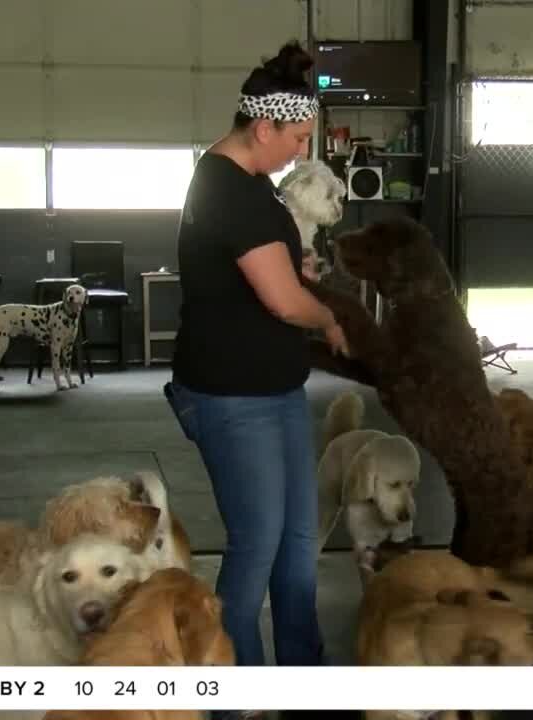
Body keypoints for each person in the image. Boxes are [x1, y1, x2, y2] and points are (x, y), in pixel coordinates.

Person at [162, 40, 350, 681]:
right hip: (232, 397)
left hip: (275, 389)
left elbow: (260, 268)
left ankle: (303, 677)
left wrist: (295, 265)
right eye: (296, 138)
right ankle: (232, 688)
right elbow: (282, 303)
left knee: (298, 544)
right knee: (257, 547)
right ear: (262, 126)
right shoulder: (228, 190)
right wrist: (327, 315)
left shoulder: (249, 184)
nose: (300, 151)